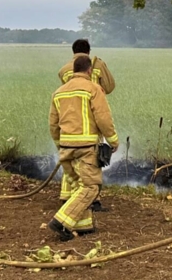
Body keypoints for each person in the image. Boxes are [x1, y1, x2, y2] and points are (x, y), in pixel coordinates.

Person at [48, 54, 119, 241]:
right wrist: (113, 141)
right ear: (89, 71)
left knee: (76, 185)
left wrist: (59, 144)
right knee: (90, 187)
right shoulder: (93, 89)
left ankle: (83, 225)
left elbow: (53, 124)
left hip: (66, 146)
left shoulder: (59, 92)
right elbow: (103, 117)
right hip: (86, 146)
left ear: (72, 71)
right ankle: (61, 222)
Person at [57, 39, 116, 208]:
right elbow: (110, 87)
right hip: (90, 120)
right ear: (88, 52)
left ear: (73, 51)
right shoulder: (96, 65)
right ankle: (92, 200)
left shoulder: (65, 69)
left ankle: (67, 195)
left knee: (71, 158)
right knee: (91, 162)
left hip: (69, 120)